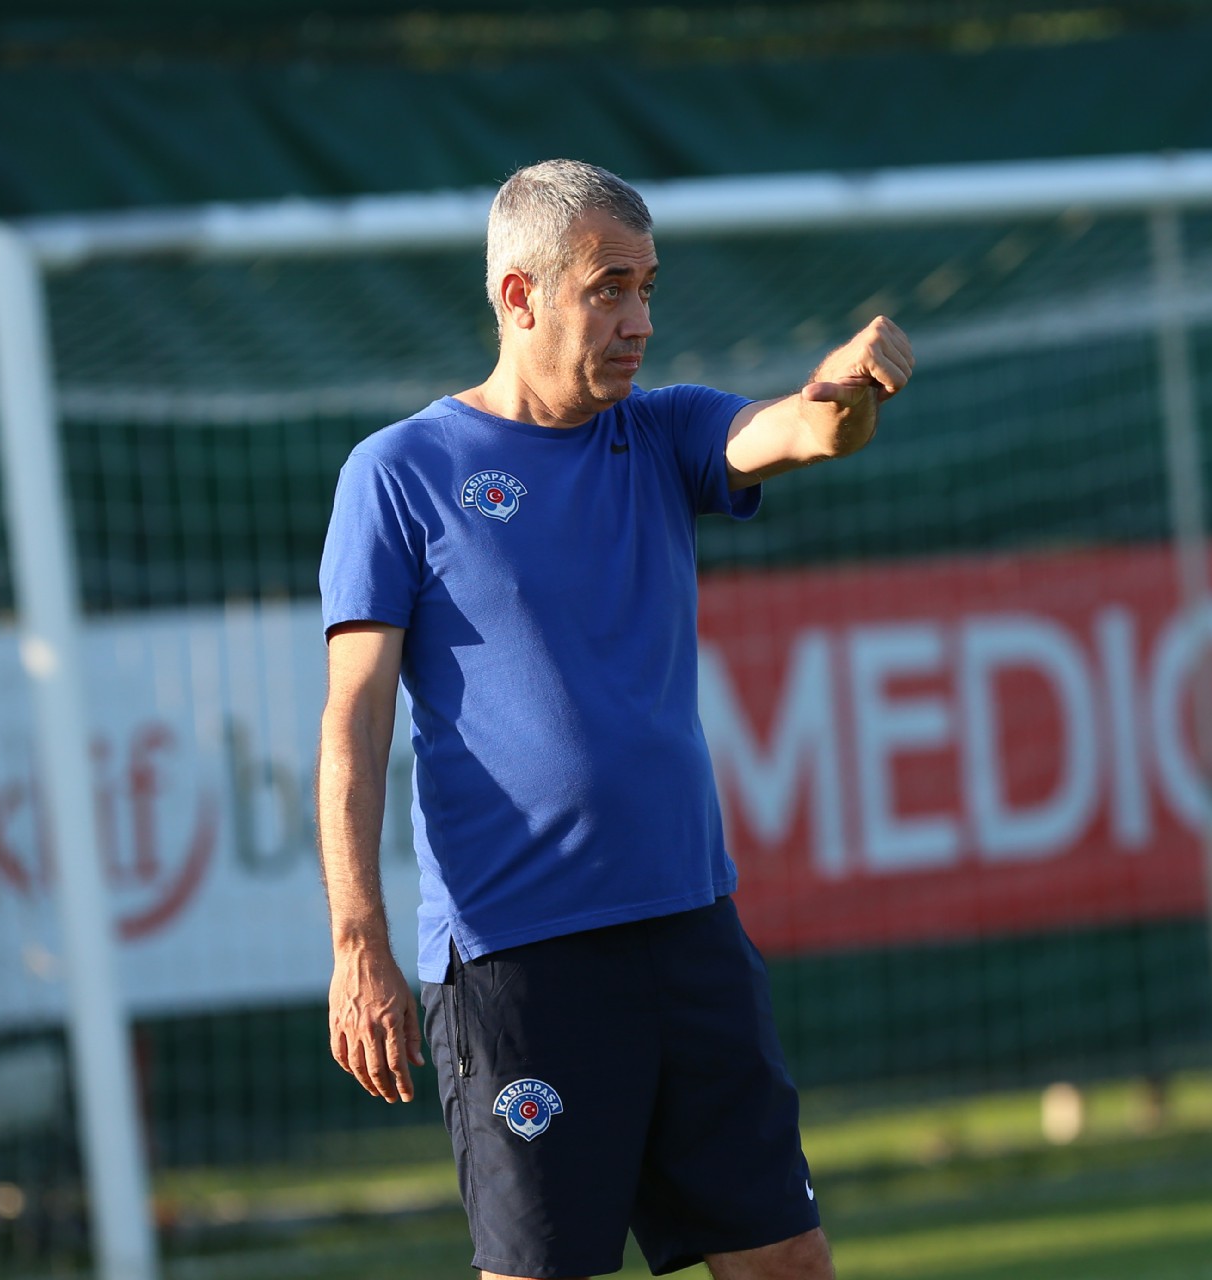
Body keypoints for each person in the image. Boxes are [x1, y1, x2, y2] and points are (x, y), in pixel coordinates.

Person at [315, 158, 912, 1280]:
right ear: (519, 295)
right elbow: (354, 719)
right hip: (519, 961)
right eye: (608, 290)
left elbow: (801, 432)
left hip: (690, 931)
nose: (639, 321)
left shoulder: (665, 430)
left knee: (788, 1261)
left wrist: (844, 394)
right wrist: (359, 941)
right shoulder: (398, 474)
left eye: (646, 288)